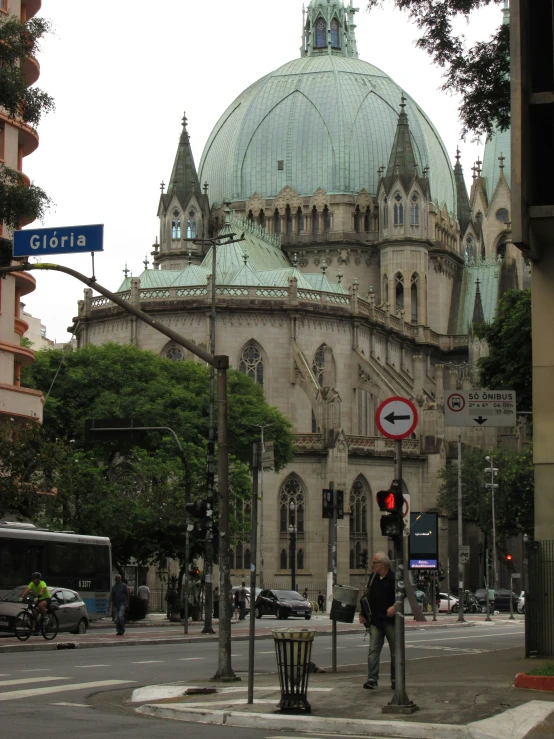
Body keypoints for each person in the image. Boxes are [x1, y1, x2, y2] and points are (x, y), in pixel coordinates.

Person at [359, 552, 396, 691]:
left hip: (390, 621)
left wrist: (395, 606)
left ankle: (395, 679)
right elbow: (368, 595)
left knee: (395, 651)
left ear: (383, 564)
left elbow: (402, 595)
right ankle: (372, 679)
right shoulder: (373, 577)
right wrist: (362, 613)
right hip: (375, 621)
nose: (372, 565)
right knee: (373, 650)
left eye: (375, 563)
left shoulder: (393, 578)